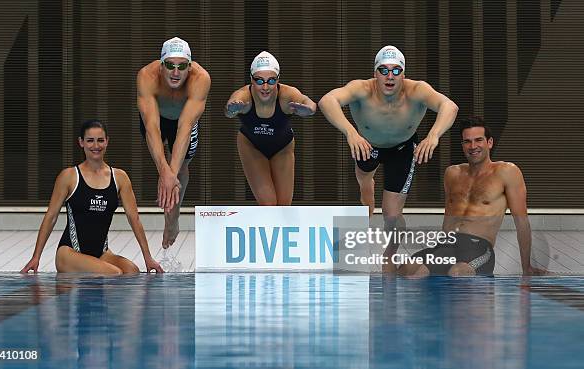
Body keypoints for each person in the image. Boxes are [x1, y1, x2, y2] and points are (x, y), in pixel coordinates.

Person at [318, 45, 458, 271]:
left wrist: (433, 135)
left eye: (396, 70)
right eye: (383, 70)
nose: (389, 76)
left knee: (392, 215)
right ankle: (367, 186)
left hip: (402, 149)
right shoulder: (361, 88)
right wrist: (351, 133)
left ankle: (391, 251)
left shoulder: (417, 90)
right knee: (365, 194)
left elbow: (449, 106)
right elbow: (327, 101)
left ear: (404, 74)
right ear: (375, 74)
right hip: (367, 146)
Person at [397, 117, 547, 276]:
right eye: (467, 141)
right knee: (405, 270)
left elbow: (522, 222)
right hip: (446, 247)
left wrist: (526, 268)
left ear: (489, 142)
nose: (473, 146)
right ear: (462, 145)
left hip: (478, 248)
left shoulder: (506, 172)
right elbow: (449, 218)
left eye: (478, 140)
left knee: (457, 272)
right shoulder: (452, 173)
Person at [21, 120, 164, 274]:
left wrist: (148, 258)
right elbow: (51, 217)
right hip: (69, 254)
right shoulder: (69, 176)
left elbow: (134, 218)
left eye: (100, 140)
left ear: (107, 141)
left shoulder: (120, 178)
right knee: (114, 273)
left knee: (132, 272)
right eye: (90, 140)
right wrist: (36, 257)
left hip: (101, 253)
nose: (96, 146)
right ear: (81, 142)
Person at [137, 36, 211, 247]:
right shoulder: (146, 76)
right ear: (161, 66)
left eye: (182, 66)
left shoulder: (201, 79)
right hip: (156, 120)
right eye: (170, 65)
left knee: (179, 170)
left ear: (190, 67)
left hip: (183, 121)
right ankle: (171, 211)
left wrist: (171, 174)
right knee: (167, 171)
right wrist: (164, 172)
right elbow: (152, 127)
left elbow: (185, 128)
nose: (176, 72)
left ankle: (173, 218)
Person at [224, 51, 316, 205]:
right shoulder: (244, 96)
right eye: (259, 81)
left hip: (283, 148)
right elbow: (229, 107)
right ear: (251, 79)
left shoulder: (287, 94)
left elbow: (308, 102)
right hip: (251, 147)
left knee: (284, 206)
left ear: (278, 79)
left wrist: (309, 110)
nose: (265, 87)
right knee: (269, 204)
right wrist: (231, 110)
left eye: (271, 81)